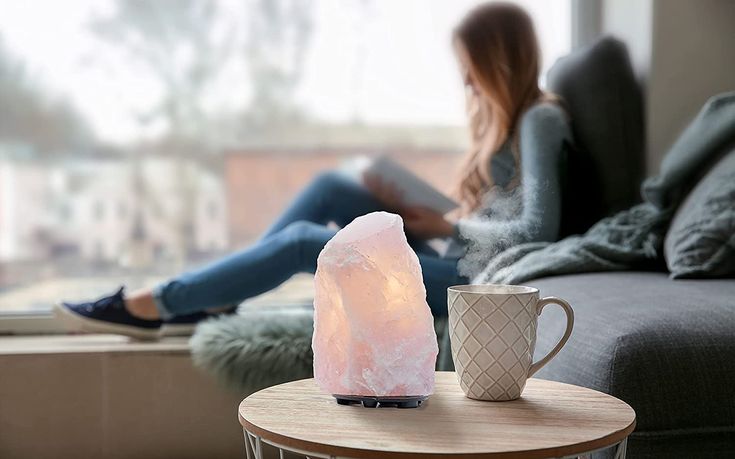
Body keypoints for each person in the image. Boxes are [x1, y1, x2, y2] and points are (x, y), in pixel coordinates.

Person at [57, 2, 575, 339]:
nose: (466, 82)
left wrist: (444, 224)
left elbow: (539, 230)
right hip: (460, 259)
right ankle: (217, 297)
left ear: (500, 59)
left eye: (472, 66)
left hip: (477, 281)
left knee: (309, 241)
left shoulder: (542, 119)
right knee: (334, 186)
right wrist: (426, 207)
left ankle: (160, 303)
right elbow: (501, 214)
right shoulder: (514, 121)